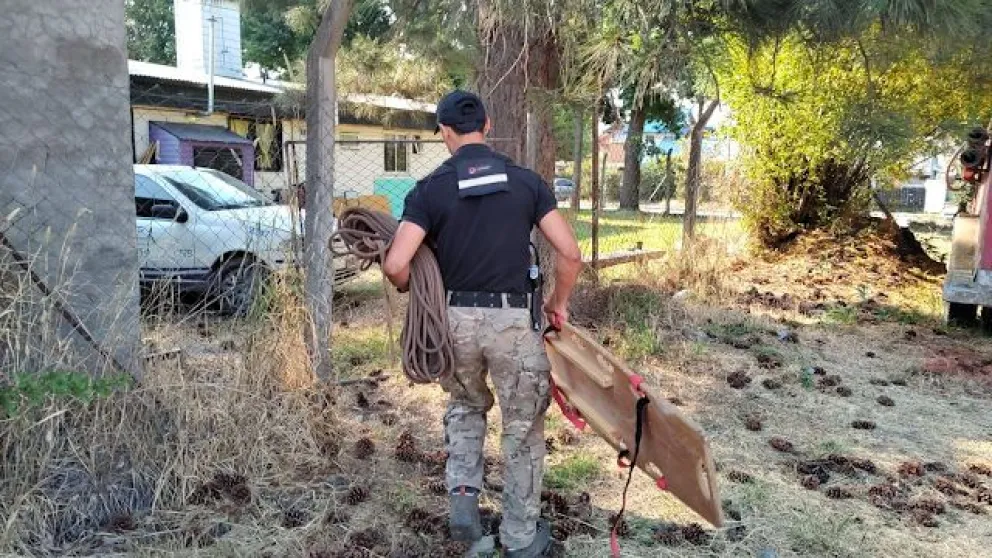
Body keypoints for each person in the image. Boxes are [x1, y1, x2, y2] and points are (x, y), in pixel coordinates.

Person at [382, 90, 583, 557]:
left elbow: (396, 265)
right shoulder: (526, 183)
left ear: (444, 132)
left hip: (454, 322)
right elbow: (570, 253)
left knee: (466, 406)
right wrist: (558, 303)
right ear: (488, 125)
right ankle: (518, 539)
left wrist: (421, 288)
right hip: (514, 323)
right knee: (522, 429)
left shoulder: (429, 189)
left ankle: (465, 515)